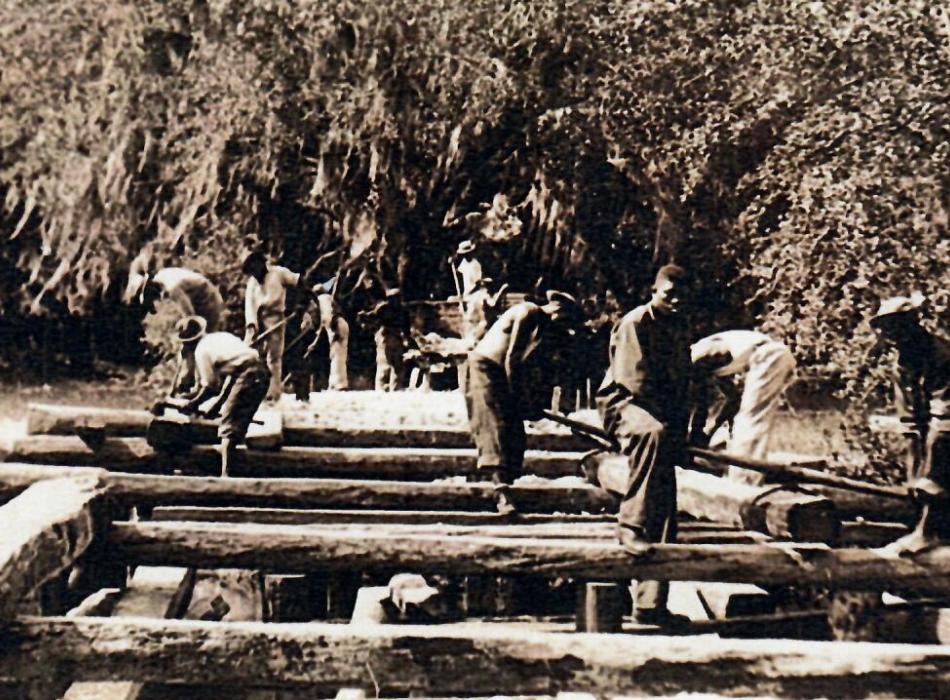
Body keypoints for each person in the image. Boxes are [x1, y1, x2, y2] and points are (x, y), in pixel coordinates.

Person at [595, 264, 691, 626]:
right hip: (625, 405)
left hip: (660, 413)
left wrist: (684, 432)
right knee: (652, 436)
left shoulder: (680, 328)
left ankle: (650, 604)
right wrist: (667, 426)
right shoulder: (636, 322)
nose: (676, 300)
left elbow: (683, 384)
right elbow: (637, 384)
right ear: (655, 291)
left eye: (682, 295)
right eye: (670, 293)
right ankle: (629, 524)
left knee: (664, 497)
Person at [464, 290, 583, 514]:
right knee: (495, 425)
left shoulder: (544, 330)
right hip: (485, 369)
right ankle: (501, 493)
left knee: (515, 431)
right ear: (558, 310)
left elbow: (531, 370)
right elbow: (512, 358)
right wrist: (518, 397)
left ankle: (507, 484)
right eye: (566, 321)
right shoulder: (529, 312)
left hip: (503, 373)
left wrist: (531, 403)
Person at [871, 294, 950, 553]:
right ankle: (924, 525)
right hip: (938, 426)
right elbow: (910, 423)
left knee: (939, 448)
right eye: (889, 329)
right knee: (920, 475)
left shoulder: (942, 355)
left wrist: (928, 477)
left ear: (913, 323)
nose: (895, 336)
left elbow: (944, 420)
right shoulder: (902, 365)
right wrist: (914, 477)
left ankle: (930, 532)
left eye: (900, 326)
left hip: (946, 425)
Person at [166, 316, 270, 477]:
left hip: (249, 375)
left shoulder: (201, 351)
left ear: (187, 343)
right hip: (261, 372)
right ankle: (236, 468)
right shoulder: (220, 337)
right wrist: (218, 404)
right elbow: (232, 376)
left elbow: (211, 387)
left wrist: (192, 404)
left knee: (229, 425)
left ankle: (226, 475)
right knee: (237, 419)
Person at [690, 330, 796, 483]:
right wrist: (709, 430)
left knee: (750, 420)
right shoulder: (715, 368)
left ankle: (743, 481)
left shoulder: (697, 355)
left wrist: (698, 434)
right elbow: (732, 400)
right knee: (751, 420)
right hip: (774, 356)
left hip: (769, 355)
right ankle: (747, 474)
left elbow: (699, 403)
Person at [243, 251, 302, 401]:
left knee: (274, 357)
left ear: (261, 263)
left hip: (275, 318)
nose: (254, 272)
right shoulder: (252, 282)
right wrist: (251, 326)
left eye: (254, 267)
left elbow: (299, 281)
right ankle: (248, 391)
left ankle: (273, 392)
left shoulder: (278, 273)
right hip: (256, 321)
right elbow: (249, 305)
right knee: (248, 354)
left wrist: (299, 304)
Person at [124, 258, 227, 332]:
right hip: (202, 298)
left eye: (149, 295)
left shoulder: (172, 288)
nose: (155, 300)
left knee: (207, 338)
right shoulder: (162, 275)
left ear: (150, 287)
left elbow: (190, 316)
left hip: (210, 302)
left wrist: (186, 330)